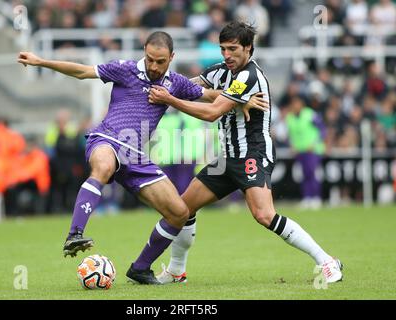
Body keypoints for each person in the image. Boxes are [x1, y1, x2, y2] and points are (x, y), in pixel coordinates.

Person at [18, 31, 265, 284]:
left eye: (160, 61)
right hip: (108, 139)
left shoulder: (175, 83)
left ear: (171, 57)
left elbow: (210, 96)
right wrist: (41, 61)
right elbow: (82, 71)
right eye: (150, 59)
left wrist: (239, 102)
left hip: (135, 156)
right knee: (102, 167)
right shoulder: (124, 69)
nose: (154, 66)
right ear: (144, 52)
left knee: (179, 212)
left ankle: (140, 268)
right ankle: (75, 233)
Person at [149, 21, 343, 284]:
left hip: (253, 153)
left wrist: (169, 99)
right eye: (223, 49)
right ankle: (175, 271)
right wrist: (156, 77)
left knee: (264, 215)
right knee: (183, 208)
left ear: (248, 48)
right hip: (228, 157)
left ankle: (327, 261)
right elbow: (187, 85)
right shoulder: (220, 72)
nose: (227, 55)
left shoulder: (249, 76)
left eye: (233, 49)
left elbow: (213, 112)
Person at [286, 95, 326, 210]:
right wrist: (292, 145)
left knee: (312, 173)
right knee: (304, 175)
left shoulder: (309, 114)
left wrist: (314, 144)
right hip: (300, 150)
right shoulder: (290, 117)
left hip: (312, 150)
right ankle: (307, 197)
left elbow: (322, 129)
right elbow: (291, 134)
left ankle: (316, 197)